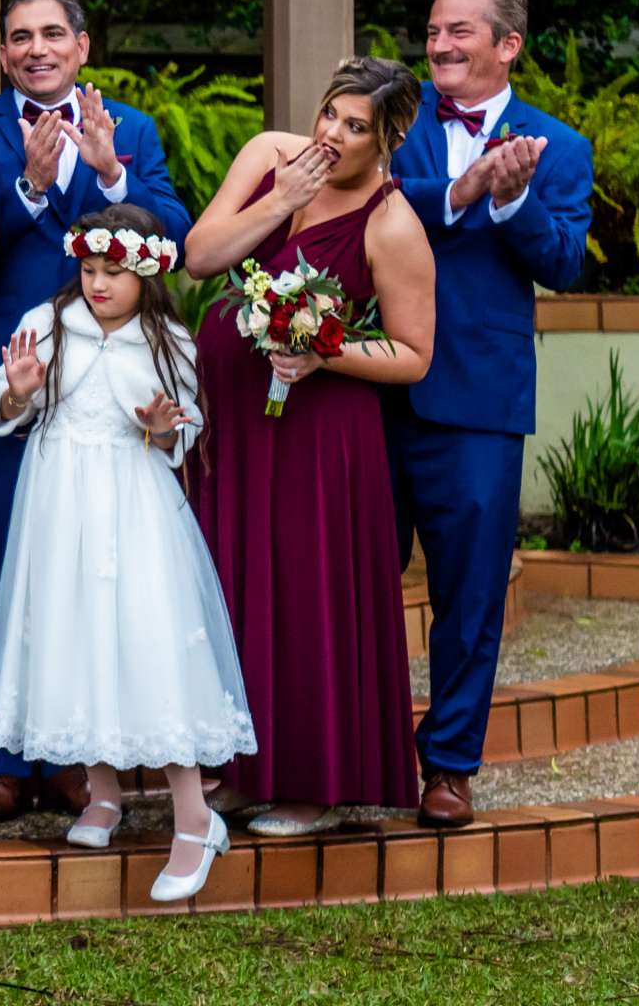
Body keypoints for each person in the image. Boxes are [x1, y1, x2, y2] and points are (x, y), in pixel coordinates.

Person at [0, 0, 193, 822]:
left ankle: (73, 758)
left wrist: (107, 173)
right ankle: (0, 757)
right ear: (2, 53)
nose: (36, 48)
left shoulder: (128, 129)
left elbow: (171, 234)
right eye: (19, 36)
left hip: (111, 380)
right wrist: (27, 188)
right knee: (3, 567)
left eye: (52, 33)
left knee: (94, 571)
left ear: (83, 45)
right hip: (17, 368)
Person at [187, 57, 435, 834]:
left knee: (302, 597)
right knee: (229, 584)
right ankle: (236, 766)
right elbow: (200, 256)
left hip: (317, 441)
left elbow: (413, 355)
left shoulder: (392, 224)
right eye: (330, 112)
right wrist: (282, 201)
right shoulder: (269, 156)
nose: (331, 133)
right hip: (229, 419)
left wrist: (325, 352)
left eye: (355, 126)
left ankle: (312, 782)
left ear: (390, 137)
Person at [0, 204, 256, 903]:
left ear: (147, 275)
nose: (98, 283)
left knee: (144, 639)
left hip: (132, 507)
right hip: (57, 502)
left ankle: (194, 821)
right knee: (76, 631)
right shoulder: (47, 325)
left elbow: (181, 438)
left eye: (115, 272)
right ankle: (102, 795)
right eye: (90, 268)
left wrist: (165, 432)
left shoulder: (168, 342)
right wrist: (15, 396)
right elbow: (7, 400)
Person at [388, 0, 592, 827]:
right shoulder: (394, 128)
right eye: (434, 31)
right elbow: (367, 205)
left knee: (468, 595)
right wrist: (461, 191)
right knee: (357, 577)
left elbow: (564, 264)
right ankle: (356, 751)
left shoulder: (559, 146)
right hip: (372, 384)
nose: (439, 46)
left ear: (507, 45)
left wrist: (512, 205)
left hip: (479, 398)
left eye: (459, 32)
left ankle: (450, 766)